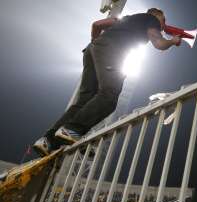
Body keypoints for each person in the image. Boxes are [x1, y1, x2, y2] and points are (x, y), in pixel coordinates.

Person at [33, 8, 181, 156]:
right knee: (109, 95)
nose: (164, 24)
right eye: (164, 19)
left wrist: (96, 44)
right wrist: (173, 41)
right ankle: (72, 129)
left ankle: (47, 141)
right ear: (156, 15)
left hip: (92, 49)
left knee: (84, 100)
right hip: (111, 50)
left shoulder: (127, 18)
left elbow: (97, 25)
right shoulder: (151, 20)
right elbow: (159, 43)